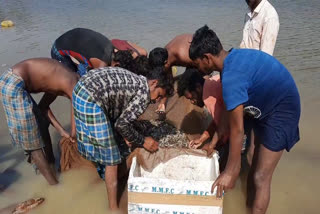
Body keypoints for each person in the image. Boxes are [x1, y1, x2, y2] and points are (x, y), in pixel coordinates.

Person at [189, 25, 300, 214]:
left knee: (260, 176)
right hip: (263, 103)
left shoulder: (231, 78)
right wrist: (212, 142)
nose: (197, 68)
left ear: (207, 58)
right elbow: (227, 110)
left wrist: (231, 170)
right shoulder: (230, 61)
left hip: (282, 110)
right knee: (252, 162)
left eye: (197, 63)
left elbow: (237, 130)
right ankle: (249, 208)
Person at [72, 66, 173, 210]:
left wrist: (126, 136)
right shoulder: (144, 94)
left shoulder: (138, 80)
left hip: (81, 89)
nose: (157, 100)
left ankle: (101, 178)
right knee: (112, 160)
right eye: (159, 95)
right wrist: (143, 141)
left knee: (111, 143)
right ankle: (113, 208)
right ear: (154, 83)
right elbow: (121, 124)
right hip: (90, 99)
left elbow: (118, 113)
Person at [0, 58, 79, 185]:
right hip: (13, 83)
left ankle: (51, 164)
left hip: (16, 81)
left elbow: (43, 108)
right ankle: (54, 186)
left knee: (42, 123)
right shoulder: (73, 84)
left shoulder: (61, 81)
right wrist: (73, 134)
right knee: (32, 142)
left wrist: (62, 131)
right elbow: (76, 115)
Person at [51, 28, 147, 76]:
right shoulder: (100, 62)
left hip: (74, 38)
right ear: (116, 64)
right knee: (73, 84)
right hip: (59, 49)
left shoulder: (113, 50)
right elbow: (96, 82)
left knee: (83, 70)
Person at [177, 68, 228, 156]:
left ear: (198, 88)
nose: (192, 102)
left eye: (192, 98)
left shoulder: (209, 98)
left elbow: (225, 127)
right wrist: (202, 138)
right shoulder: (213, 81)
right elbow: (218, 121)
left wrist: (212, 145)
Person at [149, 34, 196, 113]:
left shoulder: (183, 55)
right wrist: (163, 103)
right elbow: (168, 81)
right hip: (185, 50)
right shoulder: (162, 57)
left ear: (166, 63)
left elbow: (203, 65)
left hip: (195, 52)